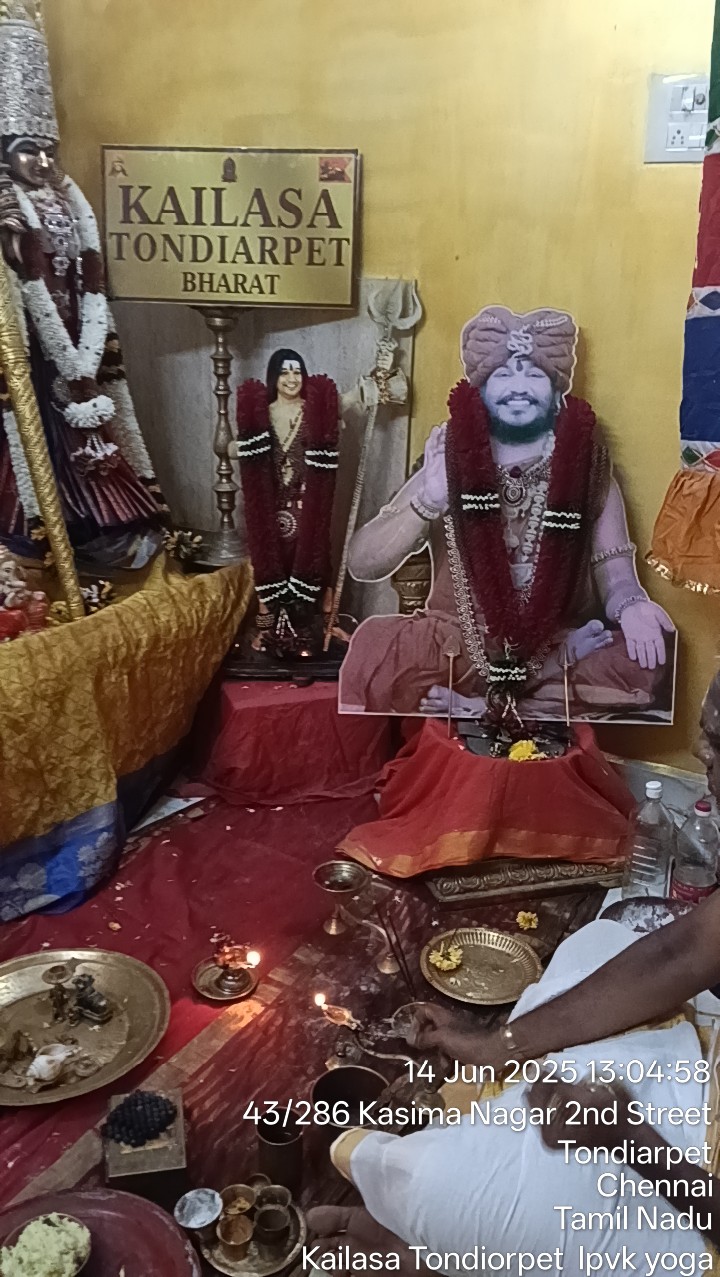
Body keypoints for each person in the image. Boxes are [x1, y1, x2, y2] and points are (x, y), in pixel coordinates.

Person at [307, 676, 720, 1273]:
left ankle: (424, 1248)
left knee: (442, 1183)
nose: (700, 751)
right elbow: (677, 954)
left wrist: (630, 1141)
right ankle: (443, 1225)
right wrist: (496, 1045)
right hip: (688, 1098)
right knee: (600, 943)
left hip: (695, 1202)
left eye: (717, 739)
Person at [339, 306, 675, 721]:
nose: (518, 388)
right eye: (503, 375)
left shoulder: (587, 466)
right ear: (480, 389)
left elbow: (617, 576)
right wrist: (428, 499)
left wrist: (633, 607)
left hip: (555, 644)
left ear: (556, 390)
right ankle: (515, 703)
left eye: (533, 375)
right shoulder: (449, 456)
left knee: (646, 656)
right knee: (374, 649)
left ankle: (490, 707)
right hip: (456, 646)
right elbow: (362, 563)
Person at [0, 1, 168, 569]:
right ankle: (41, 533)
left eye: (48, 151)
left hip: (77, 337)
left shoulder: (68, 198)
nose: (42, 162)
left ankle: (100, 528)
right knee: (37, 435)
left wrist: (82, 339)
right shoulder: (6, 203)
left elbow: (87, 268)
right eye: (28, 151)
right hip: (29, 344)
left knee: (90, 427)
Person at [232, 349, 340, 656]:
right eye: (284, 372)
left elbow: (342, 411)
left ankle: (318, 627)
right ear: (274, 377)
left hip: (308, 504)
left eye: (296, 372)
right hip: (271, 506)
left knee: (315, 561)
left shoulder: (313, 413)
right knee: (268, 566)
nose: (292, 379)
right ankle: (266, 631)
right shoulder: (263, 414)